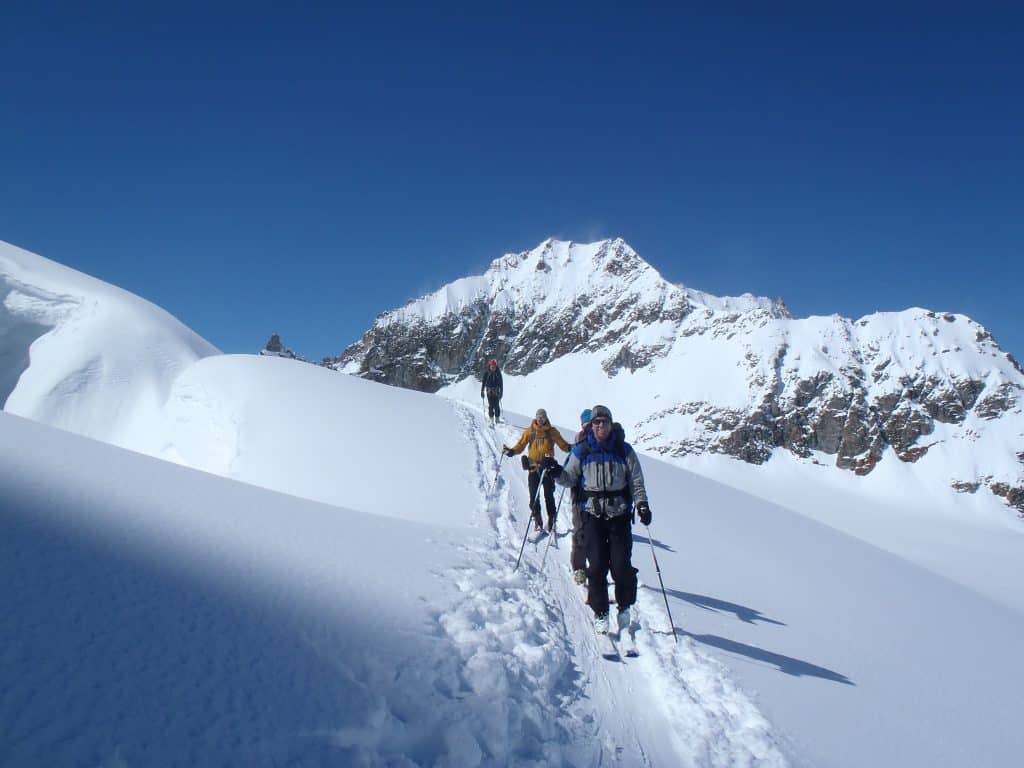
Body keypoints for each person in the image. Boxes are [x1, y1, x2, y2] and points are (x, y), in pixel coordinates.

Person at [546, 404, 651, 635]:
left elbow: (636, 481)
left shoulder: (624, 450)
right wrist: (555, 472)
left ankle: (624, 606)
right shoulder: (582, 451)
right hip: (593, 516)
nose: (600, 425)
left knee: (621, 567)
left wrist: (642, 504)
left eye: (603, 421)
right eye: (596, 422)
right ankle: (601, 612)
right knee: (596, 567)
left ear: (611, 423)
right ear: (591, 426)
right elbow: (569, 479)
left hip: (619, 516)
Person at [503, 408, 571, 532]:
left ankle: (551, 519)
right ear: (536, 418)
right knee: (534, 496)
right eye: (539, 417)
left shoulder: (552, 432)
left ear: (546, 418)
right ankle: (538, 520)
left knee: (548, 495)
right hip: (533, 468)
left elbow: (563, 445)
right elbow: (521, 445)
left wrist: (572, 448)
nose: (541, 419)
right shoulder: (530, 432)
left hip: (548, 469)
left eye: (543, 417)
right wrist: (512, 451)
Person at [569, 408, 593, 585]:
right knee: (580, 533)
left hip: (597, 499)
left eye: (590, 425)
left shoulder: (600, 442)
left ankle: (594, 569)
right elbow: (568, 467)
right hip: (580, 496)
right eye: (586, 426)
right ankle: (579, 569)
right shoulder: (578, 445)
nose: (589, 429)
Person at [480, 360, 503, 425]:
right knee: (491, 406)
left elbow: (501, 384)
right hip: (489, 392)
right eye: (492, 367)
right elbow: (483, 383)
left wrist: (501, 392)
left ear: (496, 366)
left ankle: (497, 419)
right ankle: (491, 419)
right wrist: (482, 391)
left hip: (496, 392)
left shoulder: (498, 373)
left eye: (494, 367)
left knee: (497, 406)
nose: (493, 368)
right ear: (490, 366)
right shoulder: (486, 373)